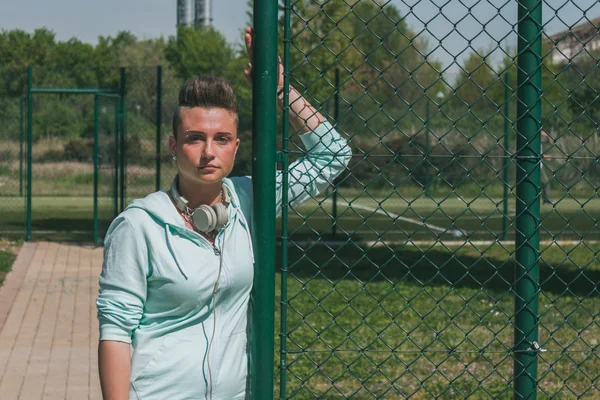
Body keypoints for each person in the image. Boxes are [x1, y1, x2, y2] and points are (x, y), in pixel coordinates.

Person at [96, 27, 351, 400]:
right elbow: (116, 332)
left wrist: (282, 90)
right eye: (194, 138)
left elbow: (333, 154)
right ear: (174, 145)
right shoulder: (139, 225)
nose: (208, 152)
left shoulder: (252, 200)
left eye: (221, 139)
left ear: (236, 146)